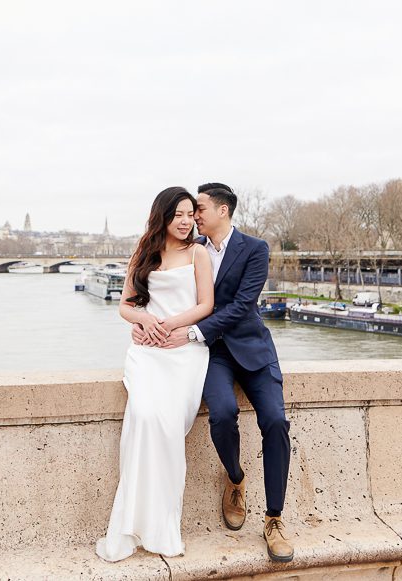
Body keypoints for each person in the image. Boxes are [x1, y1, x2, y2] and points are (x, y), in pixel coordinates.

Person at [131, 182, 294, 563]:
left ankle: (274, 519)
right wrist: (143, 321)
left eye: (199, 209)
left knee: (275, 421)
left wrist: (188, 331)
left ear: (223, 210)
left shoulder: (255, 249)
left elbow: (241, 305)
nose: (193, 216)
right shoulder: (192, 250)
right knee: (221, 414)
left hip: (252, 350)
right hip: (213, 353)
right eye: (188, 212)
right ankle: (235, 478)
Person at [96, 187, 215, 562]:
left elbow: (206, 304)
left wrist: (170, 326)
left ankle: (163, 523)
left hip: (184, 352)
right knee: (144, 416)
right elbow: (125, 307)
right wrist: (145, 319)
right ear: (162, 216)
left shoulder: (198, 253)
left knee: (167, 424)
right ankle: (133, 521)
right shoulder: (143, 251)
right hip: (147, 352)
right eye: (177, 214)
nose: (185, 221)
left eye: (189, 214)